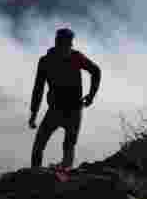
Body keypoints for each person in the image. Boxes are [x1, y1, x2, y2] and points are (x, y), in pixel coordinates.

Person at [29, 27, 101, 169]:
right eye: (63, 41)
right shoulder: (47, 61)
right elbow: (38, 88)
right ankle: (35, 174)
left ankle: (57, 172)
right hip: (58, 110)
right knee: (43, 145)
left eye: (67, 42)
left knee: (65, 145)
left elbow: (96, 71)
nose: (66, 45)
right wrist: (34, 113)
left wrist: (91, 95)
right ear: (57, 41)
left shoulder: (73, 57)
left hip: (72, 109)